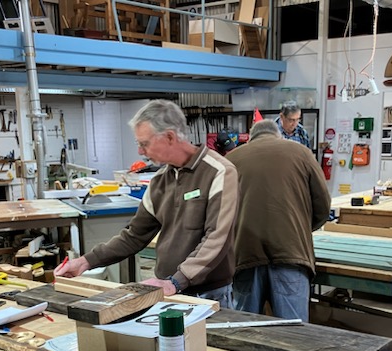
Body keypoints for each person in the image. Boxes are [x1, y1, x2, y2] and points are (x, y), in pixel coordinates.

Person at [55, 99, 239, 307]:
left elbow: (217, 238)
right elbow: (134, 235)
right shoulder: (160, 180)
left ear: (169, 137)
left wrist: (176, 281)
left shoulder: (219, 172)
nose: (141, 152)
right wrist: (85, 262)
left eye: (144, 143)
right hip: (168, 290)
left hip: (207, 294)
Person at [225, 119, 330, 321]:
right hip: (291, 253)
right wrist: (299, 230)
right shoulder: (301, 153)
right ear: (278, 135)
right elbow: (323, 205)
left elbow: (218, 211)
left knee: (245, 328)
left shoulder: (232, 159)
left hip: (245, 253)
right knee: (293, 333)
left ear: (251, 136)